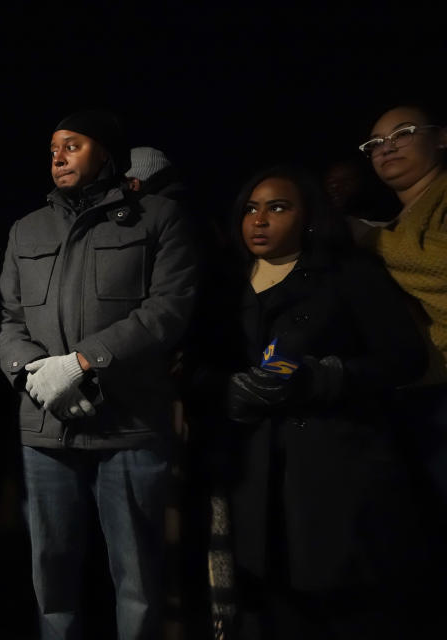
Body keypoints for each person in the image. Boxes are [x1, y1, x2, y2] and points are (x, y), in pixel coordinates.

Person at [191, 165, 432, 638]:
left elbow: (403, 358)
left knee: (339, 603)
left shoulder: (349, 275)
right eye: (250, 209)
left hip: (335, 469)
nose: (259, 220)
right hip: (250, 472)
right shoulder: (223, 284)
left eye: (278, 207)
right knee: (267, 601)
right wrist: (227, 389)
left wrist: (323, 377)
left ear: (308, 217)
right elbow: (193, 366)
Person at [0, 109, 198, 639]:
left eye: (73, 145)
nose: (58, 156)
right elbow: (10, 319)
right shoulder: (26, 229)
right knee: (52, 575)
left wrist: (81, 362)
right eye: (53, 148)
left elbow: (169, 308)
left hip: (128, 423)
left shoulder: (158, 217)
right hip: (45, 427)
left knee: (137, 577)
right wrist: (33, 376)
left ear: (105, 152)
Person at [356, 104, 447, 501]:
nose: (386, 149)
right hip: (415, 389)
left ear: (441, 138)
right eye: (375, 143)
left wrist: (371, 240)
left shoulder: (381, 235)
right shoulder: (396, 224)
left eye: (403, 133)